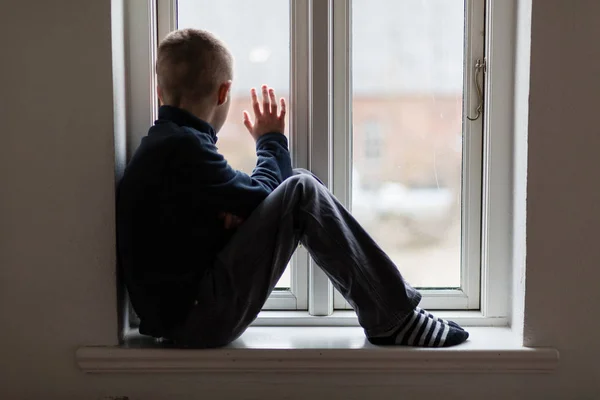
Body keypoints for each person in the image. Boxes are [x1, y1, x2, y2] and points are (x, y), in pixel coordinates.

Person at [116, 28, 469, 349]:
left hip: (180, 317)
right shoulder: (183, 148)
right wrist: (270, 141)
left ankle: (393, 316)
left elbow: (207, 221)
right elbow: (260, 198)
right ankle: (395, 319)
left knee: (300, 183)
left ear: (159, 91)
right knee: (300, 189)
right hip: (197, 319)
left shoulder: (163, 146)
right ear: (224, 92)